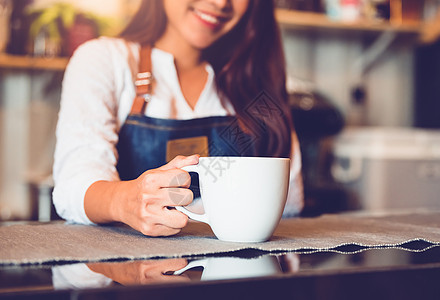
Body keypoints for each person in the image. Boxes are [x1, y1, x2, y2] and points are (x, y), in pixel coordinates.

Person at [53, 0, 304, 237]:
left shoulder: (256, 82)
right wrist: (125, 201)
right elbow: (74, 187)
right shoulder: (105, 60)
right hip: (133, 273)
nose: (220, 3)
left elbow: (290, 205)